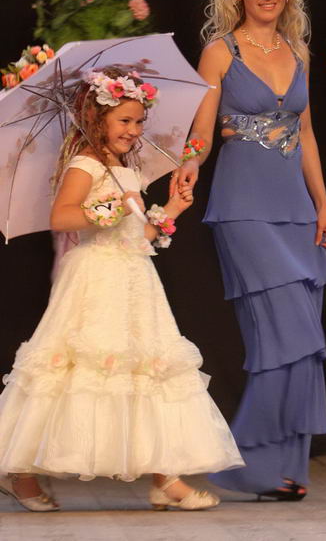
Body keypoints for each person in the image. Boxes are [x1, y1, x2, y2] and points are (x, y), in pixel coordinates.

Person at [0, 67, 243, 512]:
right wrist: (104, 212)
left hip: (135, 279)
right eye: (124, 121)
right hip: (96, 279)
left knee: (148, 372)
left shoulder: (124, 169)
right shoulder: (85, 164)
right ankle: (21, 473)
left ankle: (165, 476)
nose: (133, 130)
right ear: (98, 120)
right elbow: (62, 216)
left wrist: (171, 209)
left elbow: (139, 235)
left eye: (138, 121)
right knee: (78, 369)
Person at [173, 0, 326, 500]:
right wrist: (189, 165)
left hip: (296, 213)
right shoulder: (221, 52)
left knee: (304, 337)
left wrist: (323, 205)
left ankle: (284, 471)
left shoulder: (298, 52)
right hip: (243, 212)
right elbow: (201, 131)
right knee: (282, 334)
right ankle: (248, 464)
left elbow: (307, 136)